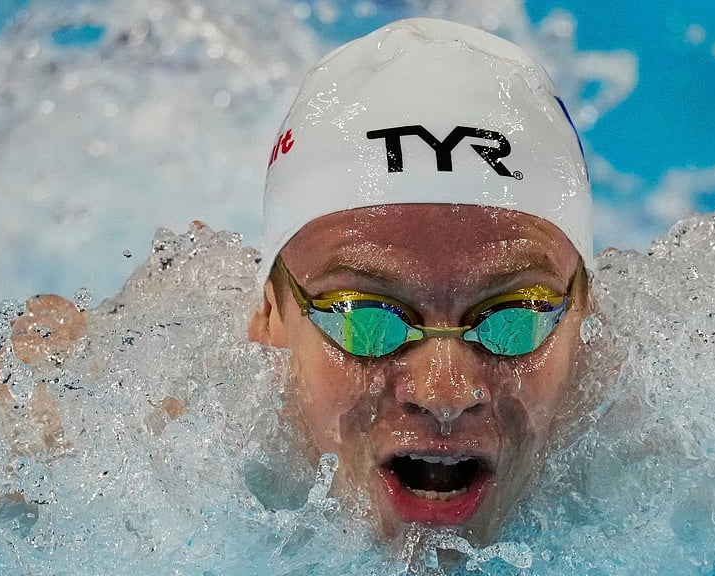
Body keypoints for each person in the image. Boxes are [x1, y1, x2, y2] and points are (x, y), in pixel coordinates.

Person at [247, 17, 597, 545]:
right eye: (365, 319)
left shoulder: (697, 442)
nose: (445, 395)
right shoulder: (147, 432)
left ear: (583, 313)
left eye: (513, 319)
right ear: (270, 314)